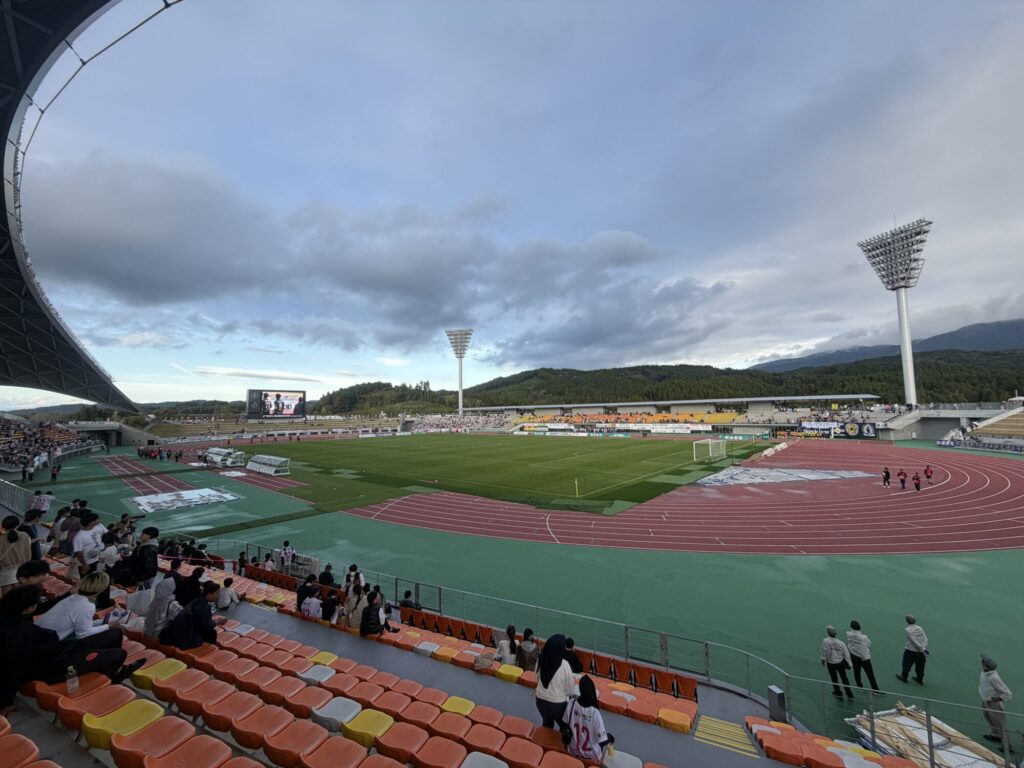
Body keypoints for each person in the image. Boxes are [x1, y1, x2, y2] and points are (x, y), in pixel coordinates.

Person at [0, 585, 142, 717]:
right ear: (28, 608)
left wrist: (68, 595)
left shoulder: (11, 617)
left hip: (61, 649)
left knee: (115, 633)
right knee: (120, 654)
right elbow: (14, 666)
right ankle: (112, 676)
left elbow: (44, 608)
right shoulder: (18, 632)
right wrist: (6, 702)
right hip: (55, 665)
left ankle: (113, 670)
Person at [36, 572, 123, 646]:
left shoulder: (74, 597)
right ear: (101, 591)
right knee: (117, 632)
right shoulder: (87, 606)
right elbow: (83, 634)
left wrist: (105, 621)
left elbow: (82, 625)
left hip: (41, 636)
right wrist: (108, 626)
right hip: (49, 644)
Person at [160, 581, 225, 650]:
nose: (218, 596)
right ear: (209, 593)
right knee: (211, 633)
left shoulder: (196, 601)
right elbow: (206, 626)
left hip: (174, 632)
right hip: (184, 638)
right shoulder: (203, 607)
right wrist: (217, 622)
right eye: (217, 593)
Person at [563, 675, 614, 762]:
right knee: (610, 738)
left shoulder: (571, 703)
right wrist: (610, 738)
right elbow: (602, 741)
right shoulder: (594, 713)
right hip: (591, 757)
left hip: (573, 752)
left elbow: (565, 723)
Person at [535, 634, 575, 729]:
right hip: (557, 704)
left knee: (547, 723)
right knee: (565, 726)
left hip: (540, 701)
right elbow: (570, 691)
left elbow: (537, 678)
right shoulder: (565, 665)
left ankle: (544, 741)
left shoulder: (541, 659)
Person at [979, 655, 1013, 745]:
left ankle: (1008, 746)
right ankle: (996, 735)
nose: (981, 664)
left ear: (985, 666)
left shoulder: (994, 678)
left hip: (994, 704)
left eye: (982, 663)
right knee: (989, 718)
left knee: (999, 724)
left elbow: (1008, 693)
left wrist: (996, 698)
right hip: (986, 701)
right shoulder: (984, 673)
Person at [0, 515, 32, 595]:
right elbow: (28, 550)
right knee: (18, 596)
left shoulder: (1, 539)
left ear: (3, 525)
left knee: (6, 597)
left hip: (5, 573)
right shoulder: (25, 535)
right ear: (17, 524)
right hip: (21, 571)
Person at [820, 625, 854, 699]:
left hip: (831, 663)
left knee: (834, 678)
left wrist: (823, 659)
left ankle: (838, 693)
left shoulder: (825, 641)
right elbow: (846, 654)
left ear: (828, 633)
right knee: (844, 678)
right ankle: (849, 693)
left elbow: (824, 651)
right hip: (840, 663)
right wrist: (850, 664)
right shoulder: (841, 643)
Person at [846, 621, 879, 691]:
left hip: (854, 656)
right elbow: (868, 644)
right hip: (865, 658)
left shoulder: (848, 634)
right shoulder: (864, 637)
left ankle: (859, 687)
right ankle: (875, 690)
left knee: (857, 672)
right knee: (870, 674)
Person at [72, 511, 107, 576]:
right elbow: (78, 552)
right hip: (87, 563)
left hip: (96, 560)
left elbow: (106, 533)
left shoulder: (96, 527)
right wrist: (84, 564)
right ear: (92, 522)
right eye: (97, 519)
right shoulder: (79, 536)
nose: (99, 520)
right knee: (86, 581)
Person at [897, 614, 928, 684]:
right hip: (921, 651)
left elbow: (913, 641)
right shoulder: (920, 628)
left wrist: (920, 648)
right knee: (921, 665)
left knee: (906, 663)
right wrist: (923, 648)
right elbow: (925, 638)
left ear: (907, 621)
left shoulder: (908, 629)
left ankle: (904, 677)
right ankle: (920, 678)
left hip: (910, 650)